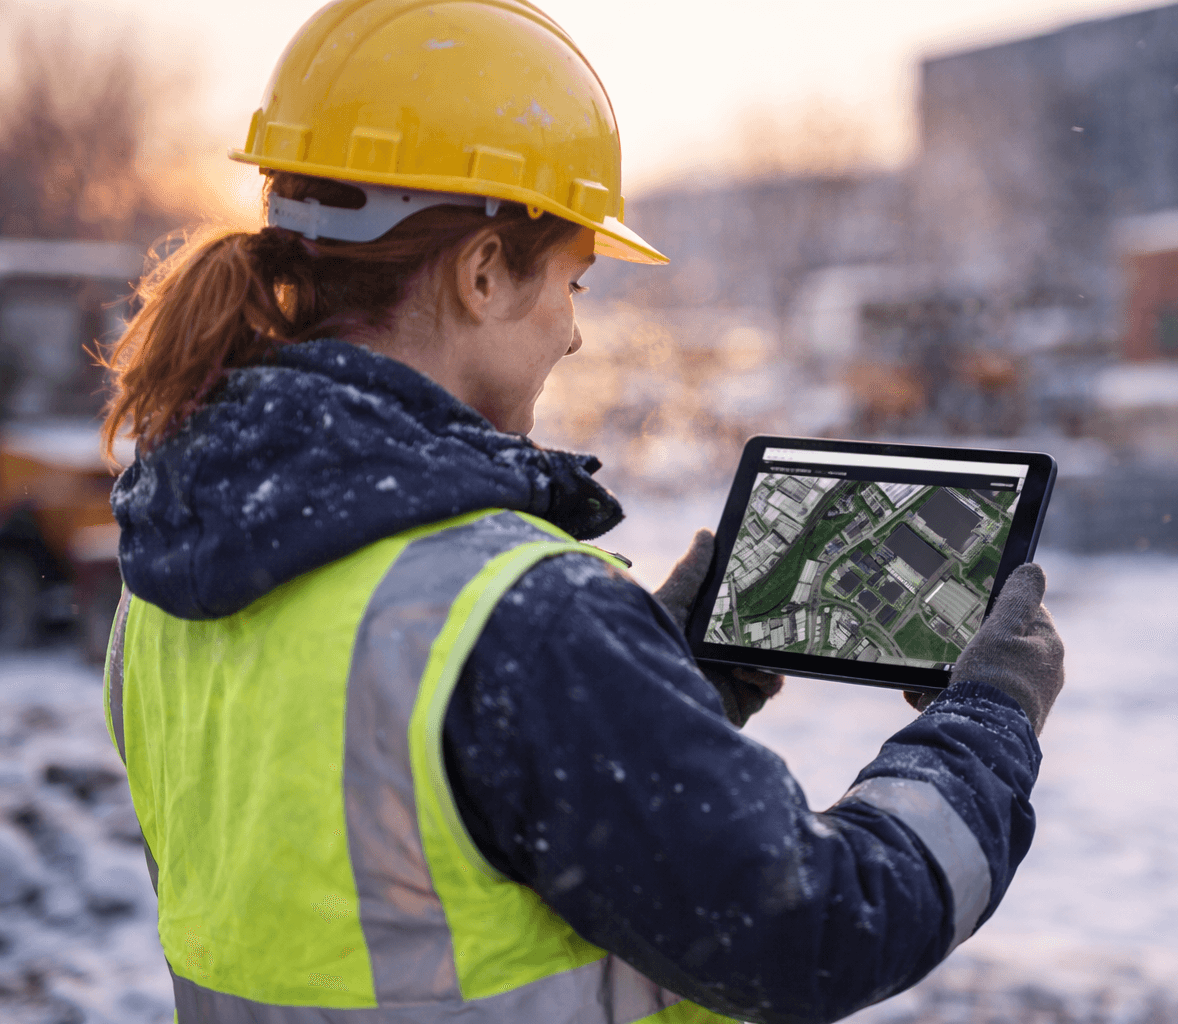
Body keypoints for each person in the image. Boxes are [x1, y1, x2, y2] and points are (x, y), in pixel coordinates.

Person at [99, 2, 1066, 1022]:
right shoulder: (524, 626)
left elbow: (394, 850)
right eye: (574, 282)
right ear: (481, 273)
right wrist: (990, 720)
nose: (571, 334)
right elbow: (823, 926)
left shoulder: (168, 584)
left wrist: (660, 675)